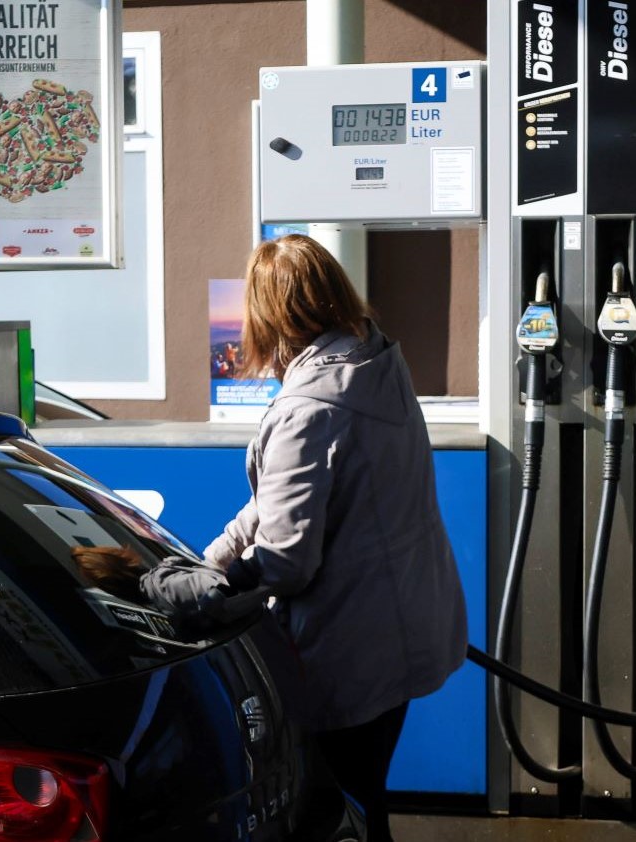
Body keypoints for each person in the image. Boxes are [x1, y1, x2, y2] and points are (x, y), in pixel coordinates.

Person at [198, 234, 468, 841]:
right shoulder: (374, 366)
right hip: (401, 629)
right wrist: (208, 559)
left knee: (336, 813)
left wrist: (221, 583)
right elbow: (275, 501)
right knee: (363, 797)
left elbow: (287, 560)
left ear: (272, 312)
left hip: (351, 649)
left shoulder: (309, 408)